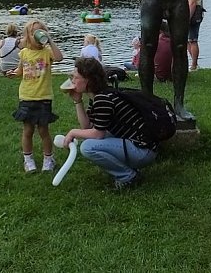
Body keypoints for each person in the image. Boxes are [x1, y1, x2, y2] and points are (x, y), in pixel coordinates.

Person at [63, 57, 158, 191]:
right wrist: (78, 101)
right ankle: (129, 171)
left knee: (88, 147)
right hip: (140, 147)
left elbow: (97, 134)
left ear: (88, 80)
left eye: (76, 77)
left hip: (143, 151)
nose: (72, 81)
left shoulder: (103, 99)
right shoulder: (99, 96)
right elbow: (87, 127)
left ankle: (128, 176)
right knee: (91, 140)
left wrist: (73, 132)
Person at [7, 20, 63, 172]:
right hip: (26, 97)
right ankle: (28, 159)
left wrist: (49, 40)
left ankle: (48, 158)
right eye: (34, 33)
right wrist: (14, 73)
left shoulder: (47, 52)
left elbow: (59, 58)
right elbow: (21, 70)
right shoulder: (24, 53)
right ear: (27, 36)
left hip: (44, 97)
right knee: (28, 130)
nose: (37, 35)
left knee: (43, 130)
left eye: (41, 31)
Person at [184, 0, 204, 71]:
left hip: (194, 15)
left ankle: (194, 65)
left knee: (193, 40)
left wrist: (188, 17)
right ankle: (193, 63)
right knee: (188, 40)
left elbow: (192, 3)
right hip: (191, 14)